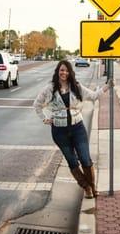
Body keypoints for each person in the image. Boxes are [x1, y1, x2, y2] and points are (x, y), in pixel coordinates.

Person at [33, 59, 111, 198]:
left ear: (70, 72)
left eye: (67, 70)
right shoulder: (49, 88)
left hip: (77, 128)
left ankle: (93, 187)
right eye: (62, 70)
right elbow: (37, 104)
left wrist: (107, 86)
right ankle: (86, 187)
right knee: (72, 161)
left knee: (85, 159)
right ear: (58, 71)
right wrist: (44, 118)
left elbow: (93, 96)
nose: (64, 73)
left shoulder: (76, 86)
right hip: (59, 131)